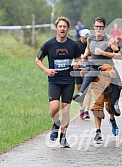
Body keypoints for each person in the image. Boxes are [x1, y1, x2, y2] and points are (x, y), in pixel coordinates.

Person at [73, 16, 122, 143]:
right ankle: (98, 131)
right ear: (94, 27)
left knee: (111, 101)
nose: (98, 29)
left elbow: (119, 55)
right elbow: (86, 54)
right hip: (96, 72)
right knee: (98, 103)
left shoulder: (110, 40)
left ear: (104, 27)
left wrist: (103, 53)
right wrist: (79, 62)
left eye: (101, 27)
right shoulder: (90, 39)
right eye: (96, 27)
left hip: (108, 70)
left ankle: (112, 118)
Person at [35, 16, 81, 148]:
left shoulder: (73, 45)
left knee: (66, 111)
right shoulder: (48, 44)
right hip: (54, 81)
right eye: (60, 26)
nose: (62, 29)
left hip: (68, 81)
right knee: (54, 108)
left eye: (64, 27)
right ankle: (55, 124)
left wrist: (77, 64)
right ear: (56, 28)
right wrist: (46, 70)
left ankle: (63, 137)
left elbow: (79, 59)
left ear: (68, 29)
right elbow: (37, 59)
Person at [75, 29, 92, 120]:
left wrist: (89, 57)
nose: (86, 40)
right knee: (80, 89)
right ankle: (81, 108)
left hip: (88, 69)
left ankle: (86, 110)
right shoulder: (76, 44)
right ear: (81, 37)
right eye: (85, 38)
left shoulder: (91, 44)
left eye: (88, 38)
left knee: (88, 89)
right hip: (78, 69)